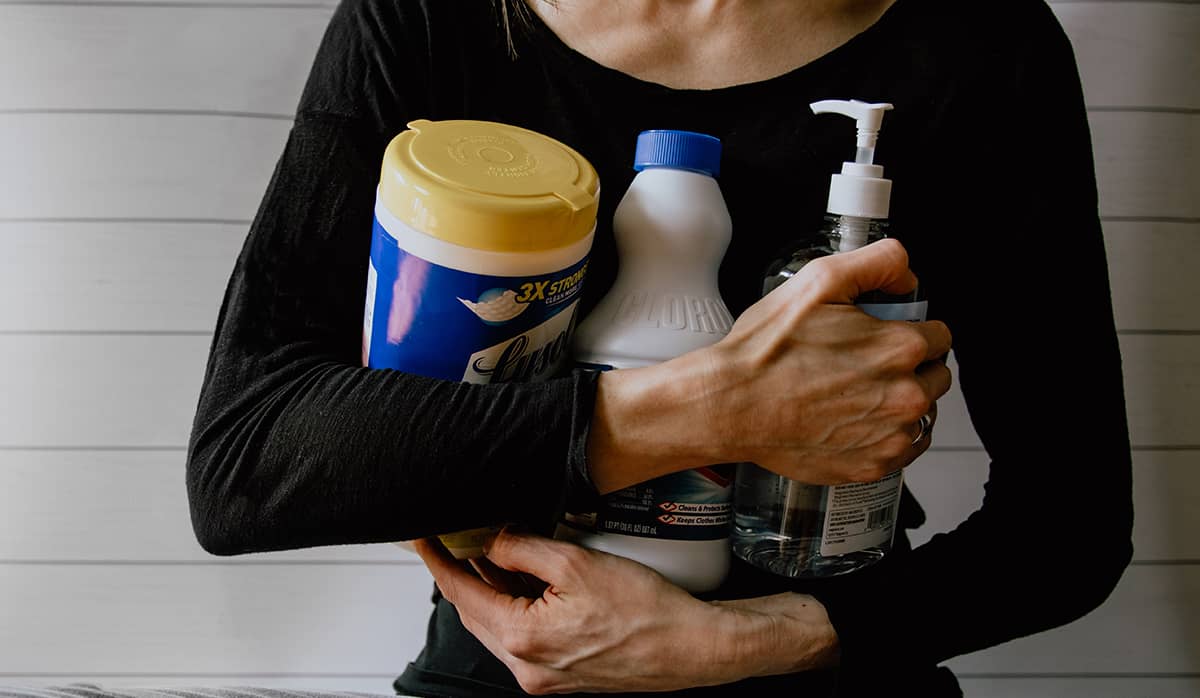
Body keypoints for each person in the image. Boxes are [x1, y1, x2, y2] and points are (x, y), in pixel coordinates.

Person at [176, 0, 1133, 696]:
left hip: (833, 662)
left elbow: (1070, 528)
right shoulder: (436, 21)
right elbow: (250, 463)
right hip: (514, 666)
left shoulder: (982, 43)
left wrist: (749, 643)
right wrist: (712, 411)